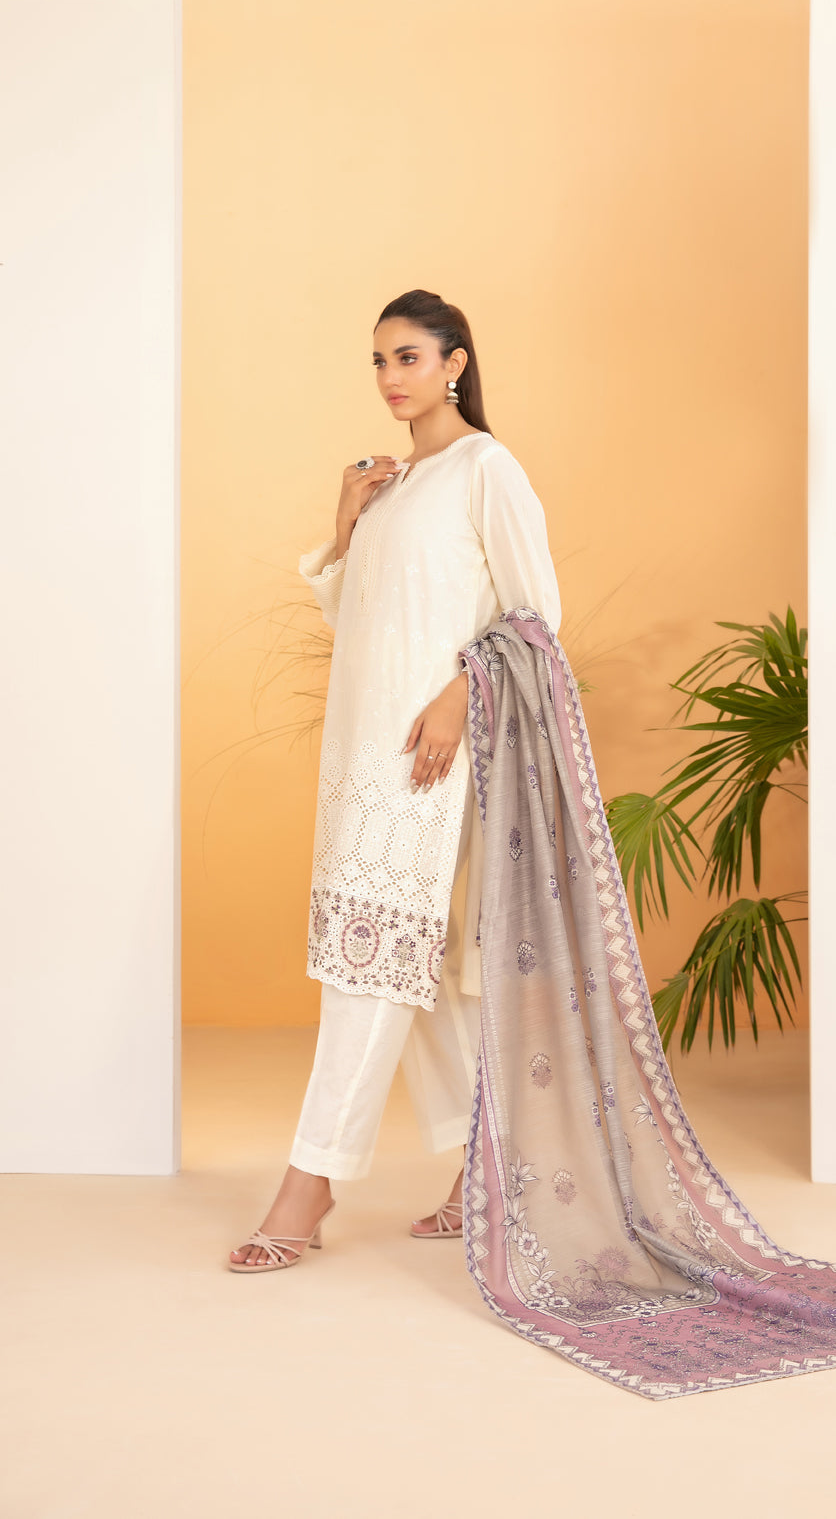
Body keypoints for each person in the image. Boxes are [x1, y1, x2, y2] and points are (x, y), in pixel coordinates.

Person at [228, 289, 562, 1270]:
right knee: (414, 960)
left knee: (367, 960)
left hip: (430, 755)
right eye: (377, 360)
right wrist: (345, 521)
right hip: (360, 750)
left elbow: (535, 618)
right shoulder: (391, 481)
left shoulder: (484, 468)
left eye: (407, 357)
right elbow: (362, 619)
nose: (389, 377)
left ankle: (310, 1183)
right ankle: (486, 1167)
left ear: (454, 363)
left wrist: (459, 695)